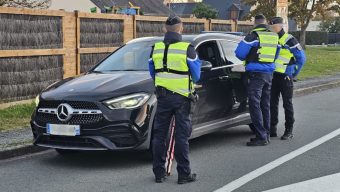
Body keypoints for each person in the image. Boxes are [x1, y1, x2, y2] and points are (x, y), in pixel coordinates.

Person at [148, 15, 201, 184]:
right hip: (182, 98)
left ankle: (159, 173)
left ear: (165, 29)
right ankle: (184, 174)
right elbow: (197, 75)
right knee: (181, 136)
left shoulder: (155, 48)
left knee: (159, 135)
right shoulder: (187, 48)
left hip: (162, 97)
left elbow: (152, 72)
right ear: (181, 28)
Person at [235, 14, 280, 146]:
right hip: (269, 74)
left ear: (255, 23)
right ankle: (266, 134)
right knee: (265, 104)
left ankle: (261, 136)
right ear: (265, 23)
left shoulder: (253, 36)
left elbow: (239, 53)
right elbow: (276, 55)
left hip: (256, 74)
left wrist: (249, 58)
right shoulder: (274, 36)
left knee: (255, 105)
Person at [269, 17, 306, 140]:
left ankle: (288, 130)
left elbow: (301, 59)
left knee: (287, 104)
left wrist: (293, 74)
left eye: (273, 27)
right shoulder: (271, 39)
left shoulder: (290, 39)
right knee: (272, 103)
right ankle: (272, 128)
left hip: (285, 77)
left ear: (279, 26)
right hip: (273, 76)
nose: (271, 29)